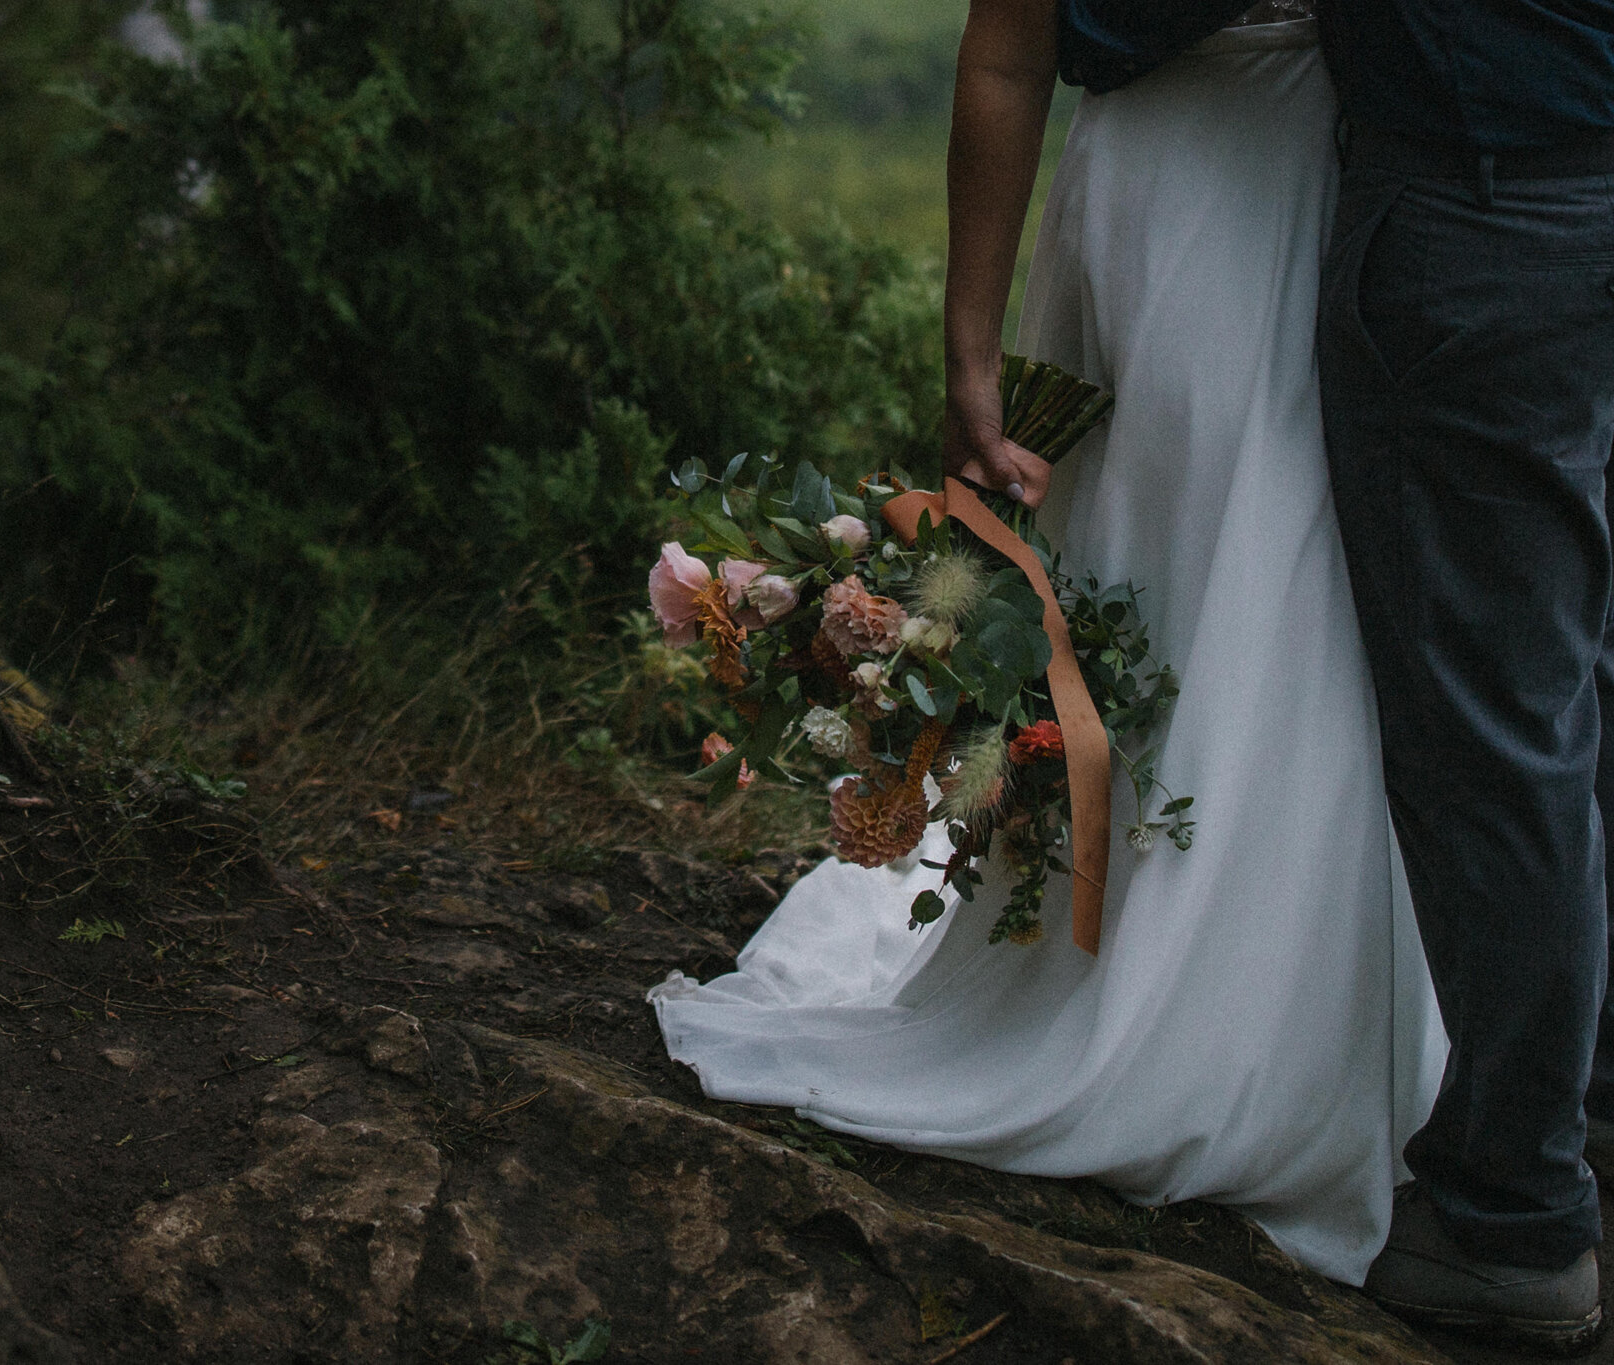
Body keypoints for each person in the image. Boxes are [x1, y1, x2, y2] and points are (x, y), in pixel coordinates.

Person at [649, 0, 1456, 1305]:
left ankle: (1315, 1026)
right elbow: (1009, 40)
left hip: (1379, 190)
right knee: (1196, 577)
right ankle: (1199, 1019)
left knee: (1313, 617)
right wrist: (968, 345)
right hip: (1184, 202)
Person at [1310, 1, 1614, 1351]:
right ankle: (1583, 1101)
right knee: (1578, 679)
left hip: (1487, 202)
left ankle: (1513, 1213)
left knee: (1494, 725)